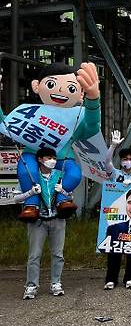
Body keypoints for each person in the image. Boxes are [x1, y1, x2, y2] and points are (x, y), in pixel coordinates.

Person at [1, 63, 101, 220]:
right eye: (51, 84)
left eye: (71, 88)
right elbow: (5, 123)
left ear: (81, 94)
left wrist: (93, 99)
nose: (60, 91)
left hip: (62, 157)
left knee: (74, 173)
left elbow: (92, 127)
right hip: (32, 155)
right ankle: (31, 205)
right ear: (36, 86)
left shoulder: (77, 116)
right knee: (27, 171)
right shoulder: (30, 112)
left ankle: (61, 200)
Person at [14, 148, 74, 300]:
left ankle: (56, 283)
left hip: (57, 219)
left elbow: (70, 197)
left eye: (54, 157)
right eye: (49, 157)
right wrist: (31, 193)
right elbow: (16, 199)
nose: (53, 160)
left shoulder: (60, 175)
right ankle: (31, 286)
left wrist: (64, 191)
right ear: (40, 159)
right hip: (37, 221)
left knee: (58, 254)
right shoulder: (29, 176)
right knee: (34, 255)